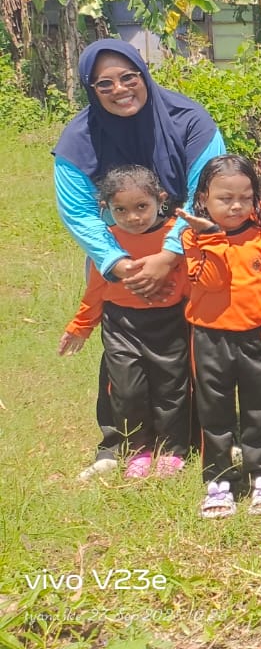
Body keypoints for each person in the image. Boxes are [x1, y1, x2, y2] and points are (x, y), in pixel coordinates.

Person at [53, 38, 225, 478]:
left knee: (186, 352)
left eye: (128, 77)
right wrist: (118, 264)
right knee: (122, 359)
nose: (120, 89)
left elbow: (210, 189)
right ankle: (118, 444)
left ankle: (192, 439)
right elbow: (76, 209)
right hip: (118, 259)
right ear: (91, 88)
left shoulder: (189, 119)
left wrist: (169, 255)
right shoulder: (78, 137)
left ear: (144, 74)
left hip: (185, 250)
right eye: (104, 83)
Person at [58, 166, 191, 481]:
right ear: (105, 209)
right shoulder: (106, 242)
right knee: (128, 391)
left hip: (170, 324)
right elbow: (96, 290)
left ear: (160, 200)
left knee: (171, 389)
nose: (133, 217)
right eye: (121, 210)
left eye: (141, 207)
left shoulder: (177, 234)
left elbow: (191, 281)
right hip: (122, 326)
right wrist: (81, 326)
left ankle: (171, 451)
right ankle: (137, 451)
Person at [177, 155, 261, 518]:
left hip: (256, 338)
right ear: (204, 200)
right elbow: (212, 282)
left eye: (245, 197)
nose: (235, 206)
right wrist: (212, 238)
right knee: (215, 412)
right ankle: (219, 481)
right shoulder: (193, 236)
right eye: (225, 199)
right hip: (210, 338)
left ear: (256, 198)